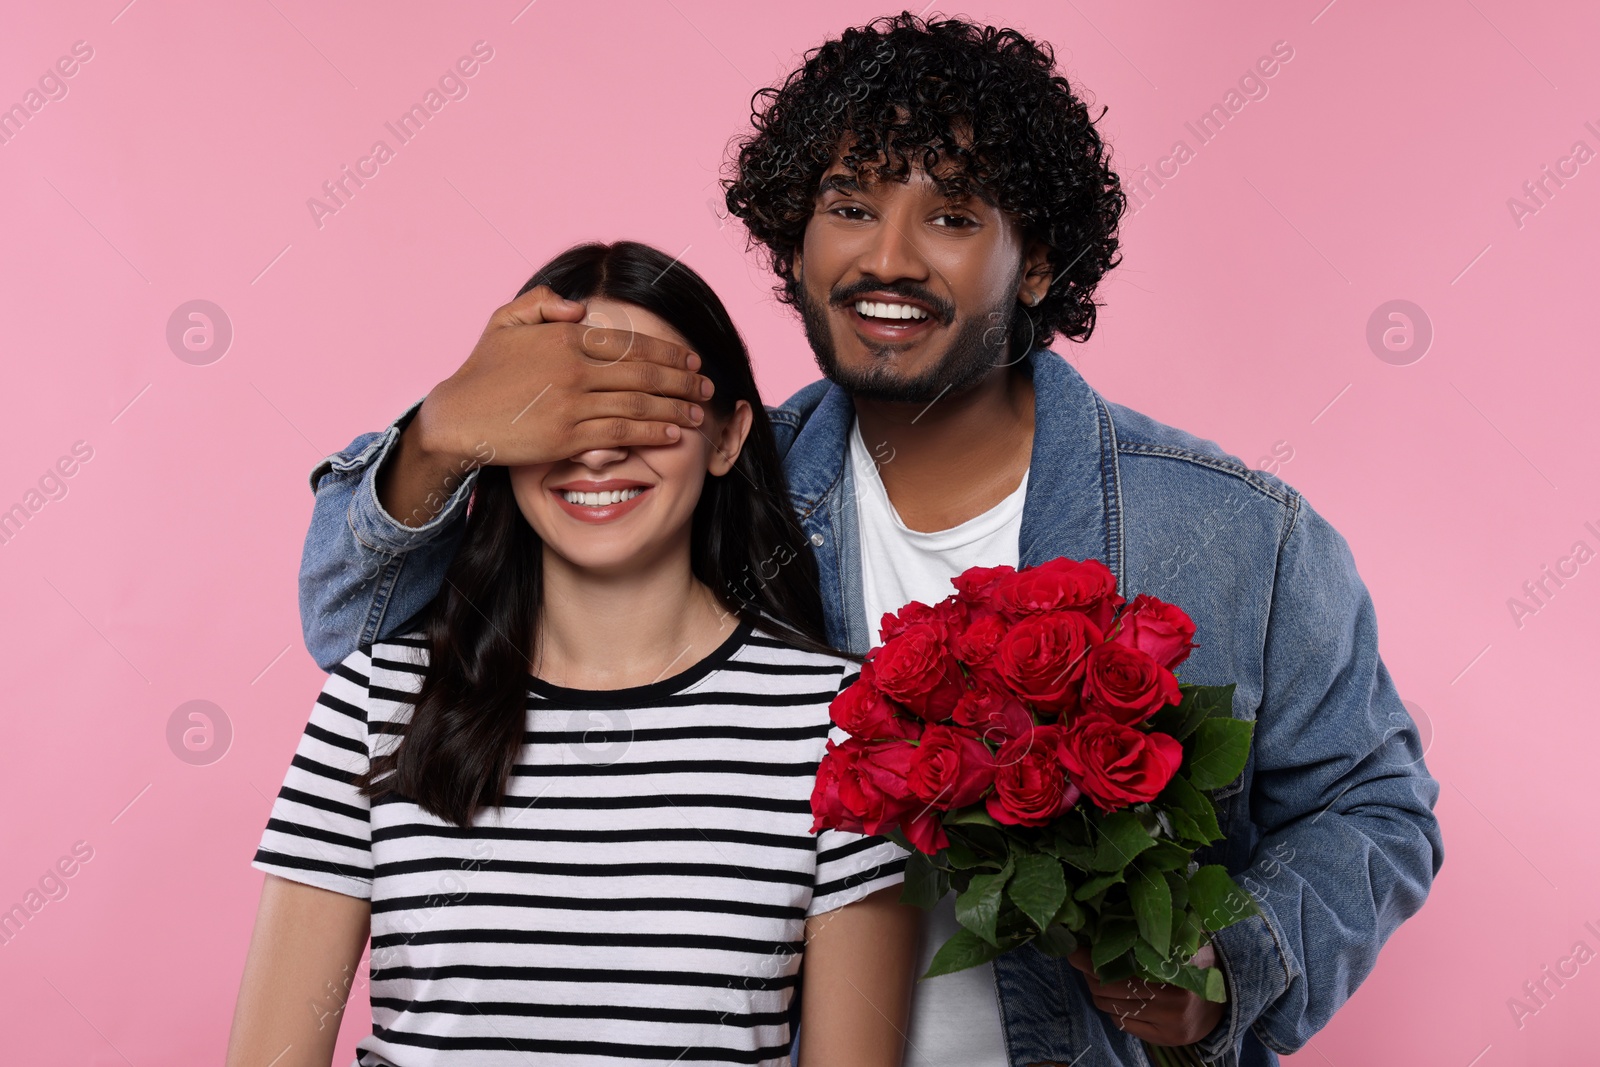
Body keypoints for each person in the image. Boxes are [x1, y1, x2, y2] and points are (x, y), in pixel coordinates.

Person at [288, 13, 1443, 1067]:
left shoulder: (1233, 533)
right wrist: (438, 440)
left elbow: (1374, 806)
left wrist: (1216, 971)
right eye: (849, 204)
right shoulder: (716, 494)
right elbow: (380, 646)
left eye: (950, 214)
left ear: (1034, 260)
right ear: (792, 242)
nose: (887, 258)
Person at [227, 241, 919, 1067]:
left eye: (641, 407)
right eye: (561, 410)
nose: (596, 450)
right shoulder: (375, 700)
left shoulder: (842, 725)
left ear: (730, 436)